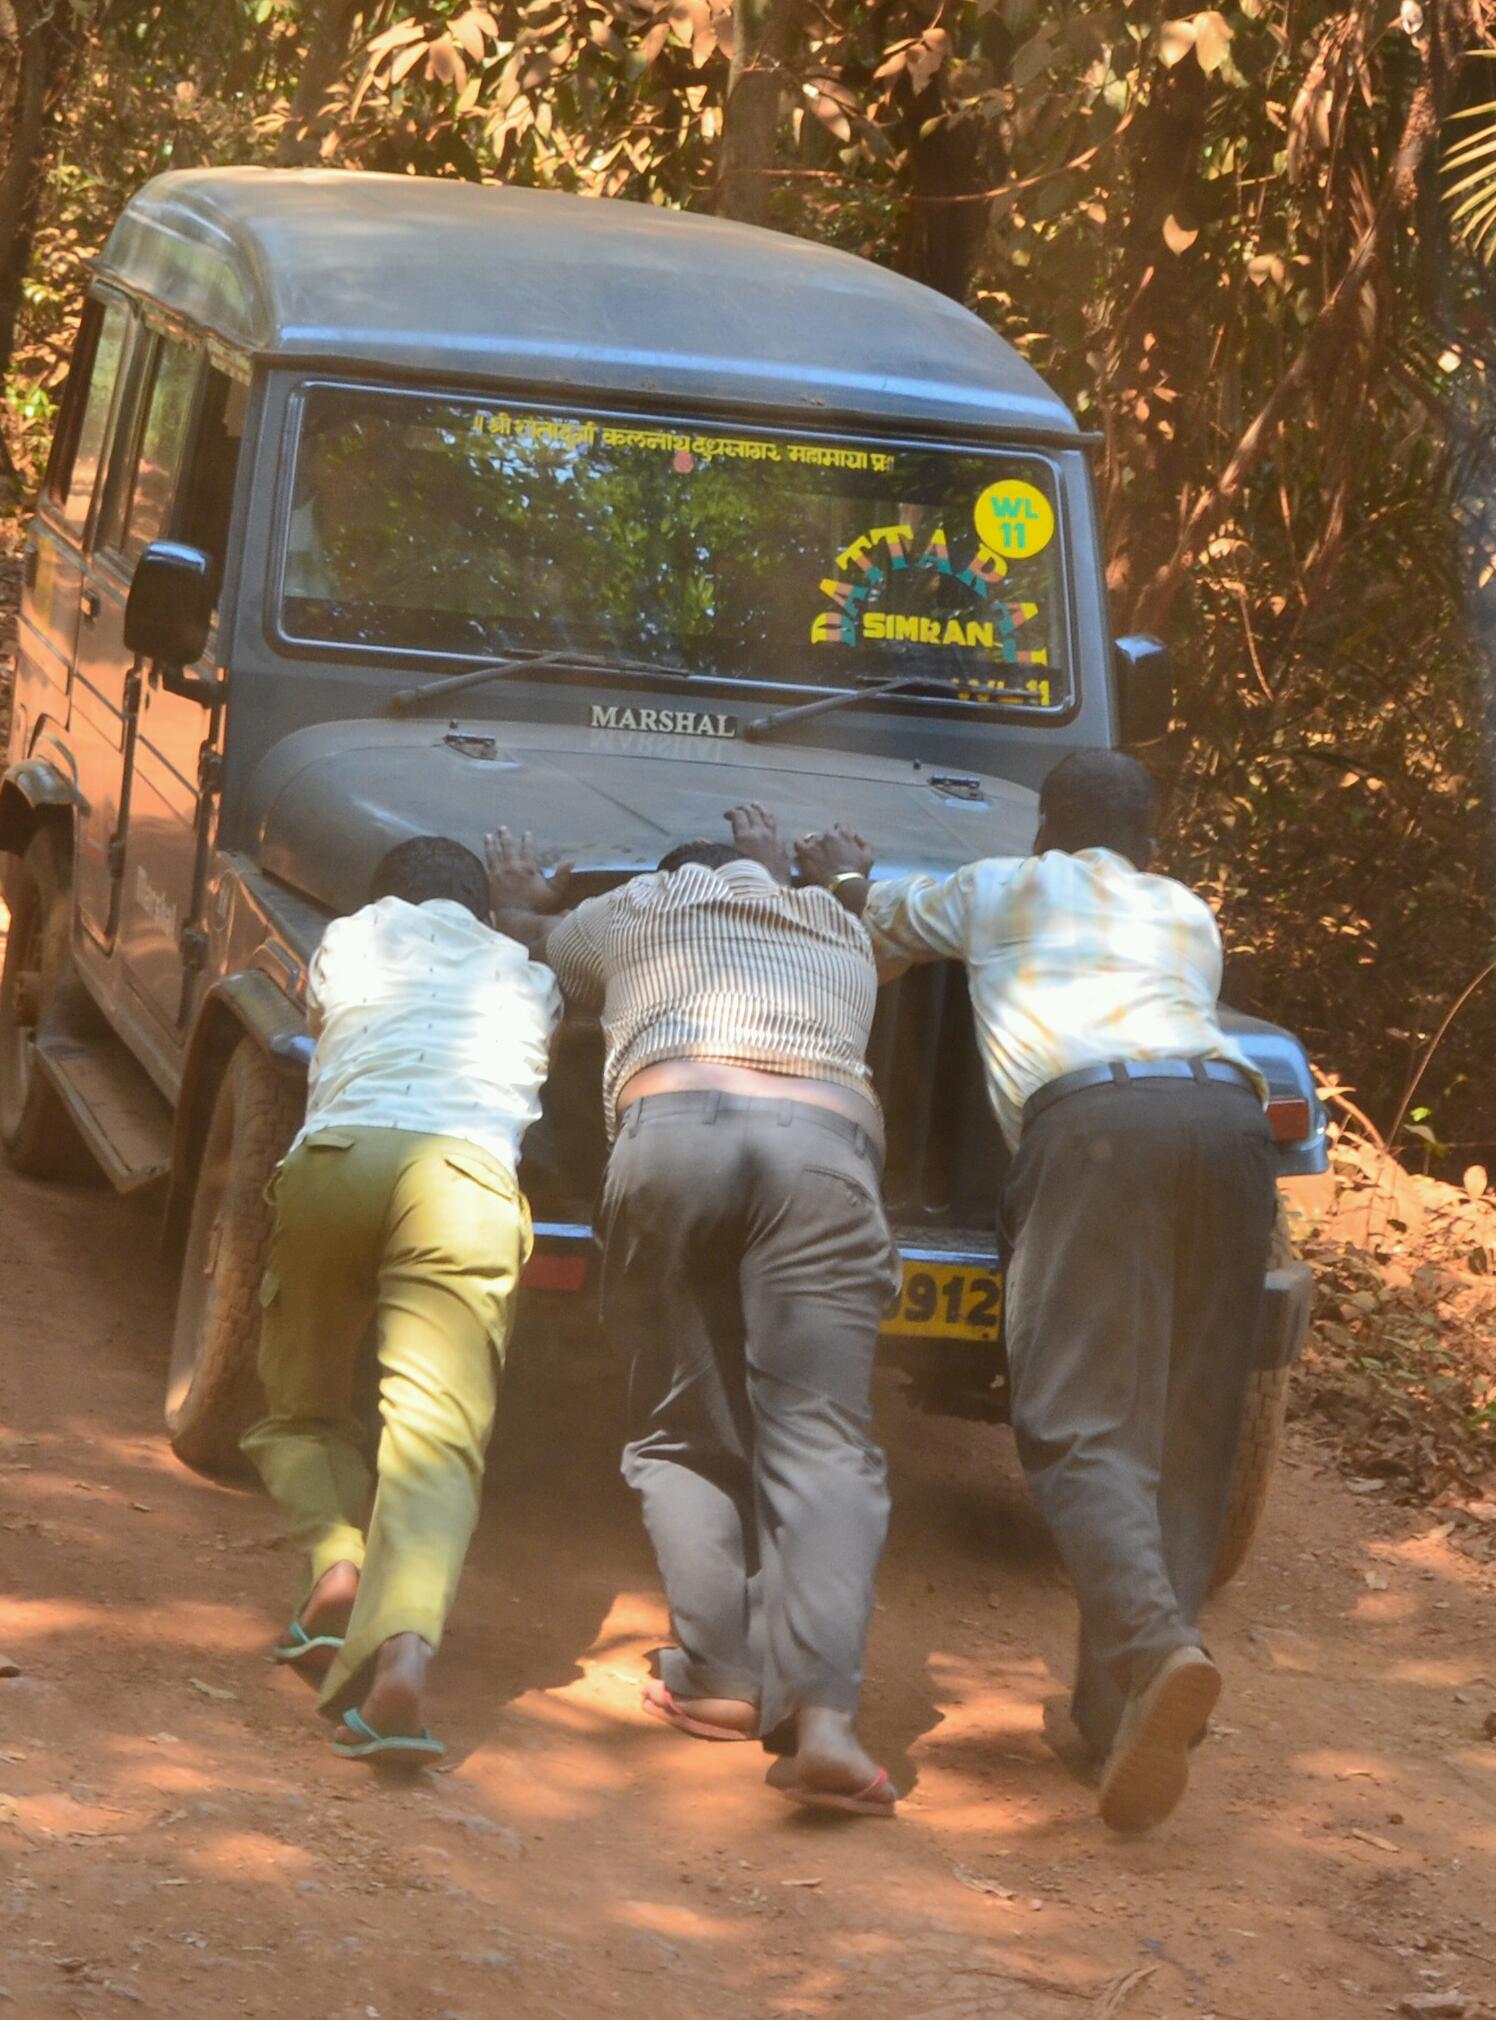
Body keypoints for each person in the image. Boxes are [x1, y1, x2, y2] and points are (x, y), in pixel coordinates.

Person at [801, 748, 1276, 1834]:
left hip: (1096, 1137)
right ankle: (1118, 1722)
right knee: (1186, 1423)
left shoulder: (1010, 887)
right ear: (1149, 845)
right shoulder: (1186, 914)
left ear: (1043, 833)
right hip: (1229, 1131)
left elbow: (874, 924)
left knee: (1073, 1419)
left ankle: (1157, 1648)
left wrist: (838, 877)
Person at [488, 809, 901, 1816]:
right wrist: (830, 878)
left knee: (678, 1429)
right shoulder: (842, 927)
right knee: (821, 1441)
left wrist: (520, 897)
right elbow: (835, 900)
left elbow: (536, 955)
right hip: (825, 1152)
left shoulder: (639, 905)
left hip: (673, 1126)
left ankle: (718, 1680)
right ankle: (828, 1729)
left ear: (674, 879)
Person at [243, 834, 562, 1764]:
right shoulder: (523, 971)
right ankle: (403, 1668)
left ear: (386, 893)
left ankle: (337, 1563)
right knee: (436, 1442)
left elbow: (325, 1018)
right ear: (480, 907)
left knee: (299, 1405)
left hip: (339, 1160)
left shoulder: (350, 940)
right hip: (466, 1181)